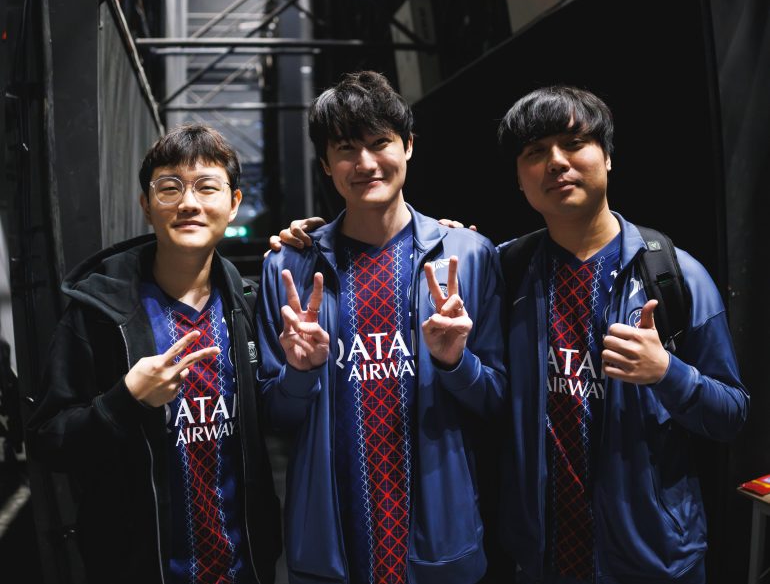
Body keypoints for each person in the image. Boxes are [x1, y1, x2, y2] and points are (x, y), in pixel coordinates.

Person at [269, 84, 750, 584]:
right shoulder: (506, 267)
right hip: (539, 554)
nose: (556, 163)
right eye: (535, 152)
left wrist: (667, 373)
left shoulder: (672, 276)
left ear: (608, 156)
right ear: (520, 178)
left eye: (574, 144)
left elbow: (732, 414)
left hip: (653, 557)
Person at [257, 71, 506, 584]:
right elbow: (274, 416)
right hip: (331, 546)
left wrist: (456, 363)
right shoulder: (288, 268)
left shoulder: (469, 257)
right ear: (325, 164)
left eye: (380, 143)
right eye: (346, 149)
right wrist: (300, 373)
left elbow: (500, 402)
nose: (366, 163)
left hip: (440, 541)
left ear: (408, 145)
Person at [27, 125, 281, 584]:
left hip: (244, 568)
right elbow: (48, 440)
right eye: (169, 188)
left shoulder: (247, 304)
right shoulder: (99, 313)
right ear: (147, 205)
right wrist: (125, 399)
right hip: (140, 568)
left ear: (234, 203)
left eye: (207, 187)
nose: (189, 203)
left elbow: (280, 417)